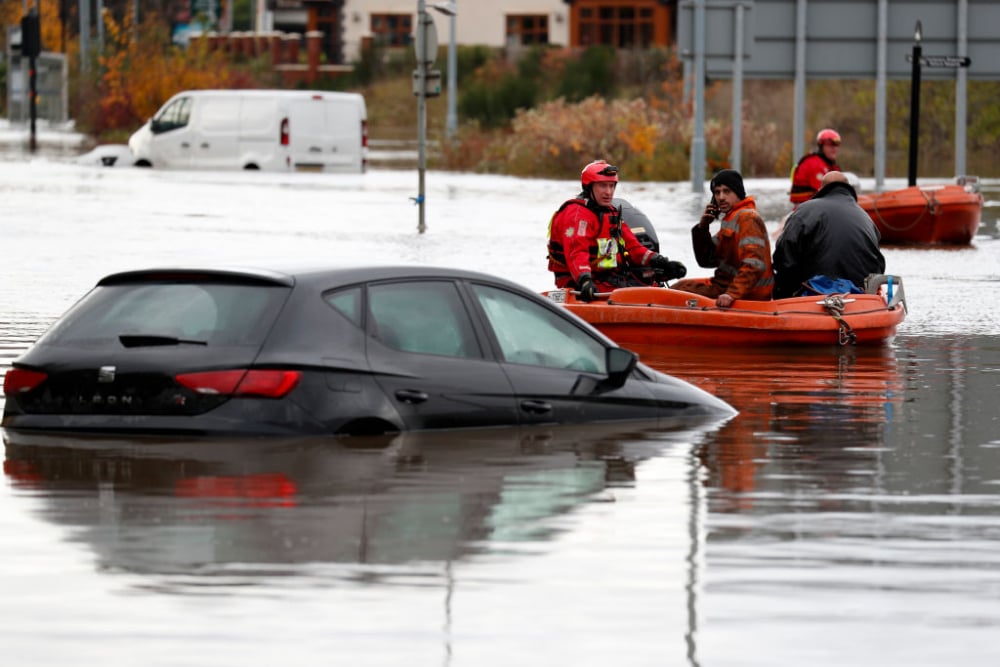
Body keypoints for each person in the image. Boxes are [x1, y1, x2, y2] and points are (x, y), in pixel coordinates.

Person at [547, 160, 687, 301]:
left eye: (611, 186)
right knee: (638, 297)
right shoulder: (577, 215)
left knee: (654, 289)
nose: (608, 192)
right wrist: (584, 280)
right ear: (589, 187)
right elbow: (577, 252)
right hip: (581, 285)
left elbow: (633, 248)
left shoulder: (611, 213)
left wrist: (661, 261)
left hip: (609, 280)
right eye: (603, 186)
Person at [772, 171, 886, 299]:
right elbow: (879, 264)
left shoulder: (804, 210)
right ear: (850, 189)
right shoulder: (865, 217)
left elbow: (783, 256)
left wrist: (781, 293)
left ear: (821, 189)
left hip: (813, 294)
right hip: (860, 297)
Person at [671, 169, 774, 309]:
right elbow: (707, 260)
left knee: (676, 294)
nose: (721, 197)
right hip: (725, 286)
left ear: (738, 193)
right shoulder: (731, 218)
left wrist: (732, 294)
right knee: (679, 286)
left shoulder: (747, 218)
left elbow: (754, 264)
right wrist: (702, 228)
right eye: (717, 192)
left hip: (748, 294)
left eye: (727, 191)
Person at [789, 128, 841, 206]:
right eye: (830, 144)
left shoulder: (832, 166)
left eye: (836, 145)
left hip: (819, 206)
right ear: (821, 146)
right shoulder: (813, 163)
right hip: (805, 208)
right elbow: (824, 192)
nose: (834, 148)